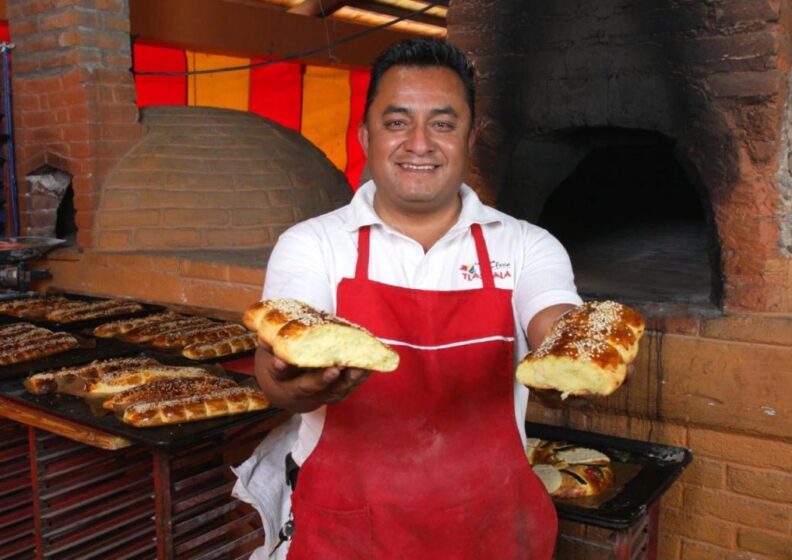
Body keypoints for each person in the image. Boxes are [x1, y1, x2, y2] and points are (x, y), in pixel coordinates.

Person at [234, 37, 582, 559]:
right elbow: (278, 362)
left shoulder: (526, 245)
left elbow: (557, 324)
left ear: (470, 139)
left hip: (492, 527)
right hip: (351, 531)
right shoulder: (313, 243)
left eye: (442, 124)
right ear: (365, 135)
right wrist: (293, 383)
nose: (419, 144)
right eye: (397, 122)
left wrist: (571, 368)